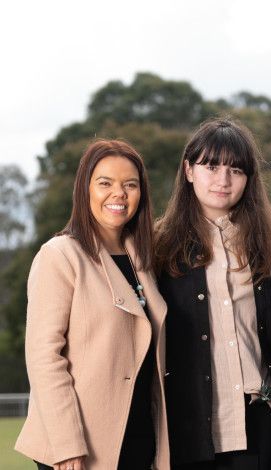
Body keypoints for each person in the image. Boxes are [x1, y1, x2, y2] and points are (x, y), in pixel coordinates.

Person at [15, 140, 170, 470]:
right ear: (84, 190)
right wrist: (66, 443)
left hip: (139, 435)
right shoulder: (60, 256)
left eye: (130, 185)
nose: (119, 194)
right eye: (105, 183)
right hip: (82, 443)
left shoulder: (144, 259)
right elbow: (44, 357)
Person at [154, 118, 271, 470]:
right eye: (211, 166)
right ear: (188, 170)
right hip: (190, 420)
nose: (223, 179)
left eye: (235, 169)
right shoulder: (158, 247)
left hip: (260, 418)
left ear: (249, 178)